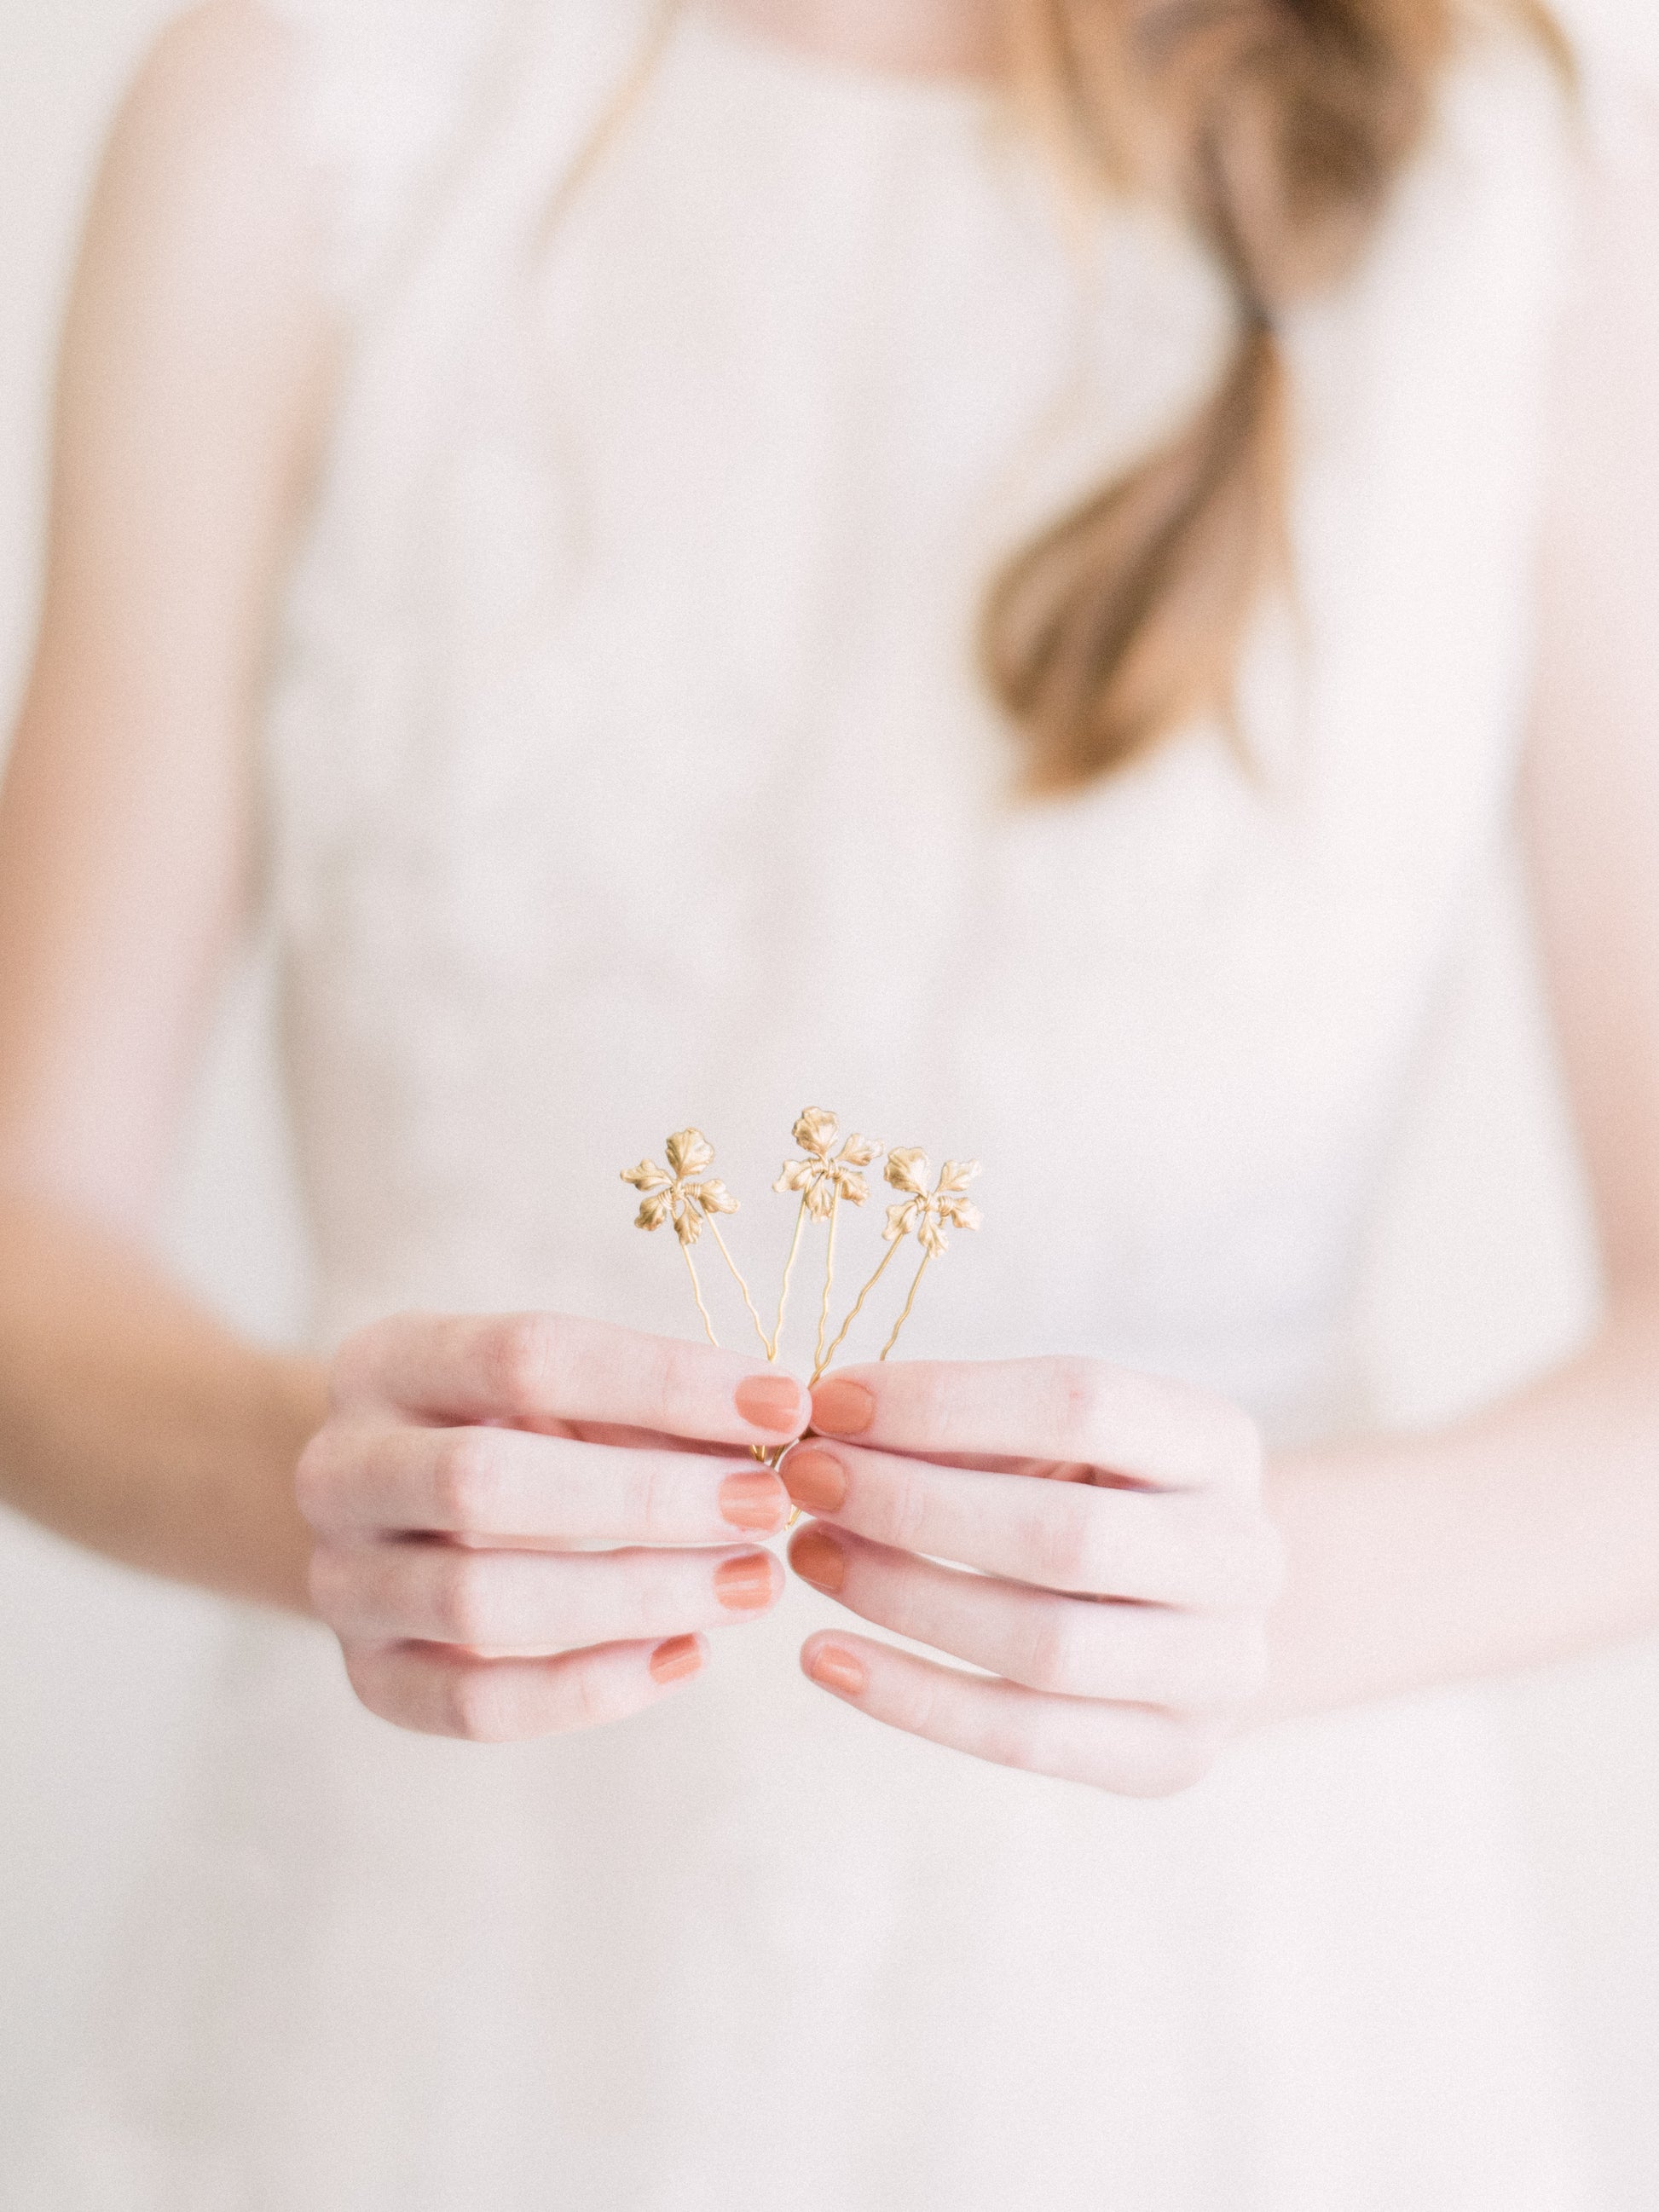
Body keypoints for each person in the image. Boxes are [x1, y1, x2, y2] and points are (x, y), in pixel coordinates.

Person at [0, 0, 1654, 2202]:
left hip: (1214, 2022)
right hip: (425, 1999)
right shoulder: (304, 116)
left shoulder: (1503, 201)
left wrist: (1265, 1590)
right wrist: (311, 1487)